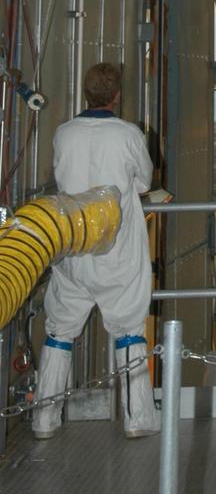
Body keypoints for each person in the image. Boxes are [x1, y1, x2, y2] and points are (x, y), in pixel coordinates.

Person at [32, 62, 158, 440]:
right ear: (117, 95)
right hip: (117, 251)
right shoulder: (127, 134)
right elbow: (143, 181)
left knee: (60, 330)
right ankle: (137, 418)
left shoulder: (64, 133)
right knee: (129, 330)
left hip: (73, 245)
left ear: (84, 93)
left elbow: (60, 176)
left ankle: (43, 418)